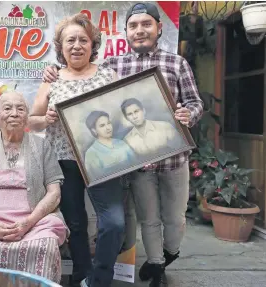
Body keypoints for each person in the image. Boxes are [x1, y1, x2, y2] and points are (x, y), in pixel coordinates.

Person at [42, 3, 204, 287]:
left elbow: (194, 103)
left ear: (158, 28)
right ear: (126, 32)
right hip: (131, 162)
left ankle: (166, 255)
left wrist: (188, 114)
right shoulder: (113, 65)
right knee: (146, 220)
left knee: (174, 219)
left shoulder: (175, 63)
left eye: (146, 25)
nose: (140, 30)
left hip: (170, 159)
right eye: (134, 26)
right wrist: (52, 72)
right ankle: (150, 267)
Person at [28, 13, 125, 287]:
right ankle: (82, 275)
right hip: (63, 163)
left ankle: (99, 279)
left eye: (83, 40)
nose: (77, 45)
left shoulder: (108, 75)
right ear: (61, 46)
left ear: (93, 44)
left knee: (114, 223)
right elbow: (32, 122)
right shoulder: (52, 79)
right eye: (70, 40)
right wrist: (44, 118)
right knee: (76, 225)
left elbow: (124, 118)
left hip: (103, 160)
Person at [0, 91, 68, 283]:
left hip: (34, 222)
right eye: (7, 108)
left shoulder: (42, 147)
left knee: (45, 247)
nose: (14, 113)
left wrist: (28, 223)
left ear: (27, 116)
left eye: (21, 109)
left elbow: (54, 193)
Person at [84, 110, 136, 180]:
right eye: (102, 125)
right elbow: (96, 178)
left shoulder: (121, 143)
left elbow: (136, 163)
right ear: (94, 130)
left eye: (109, 123)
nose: (108, 128)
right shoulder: (91, 153)